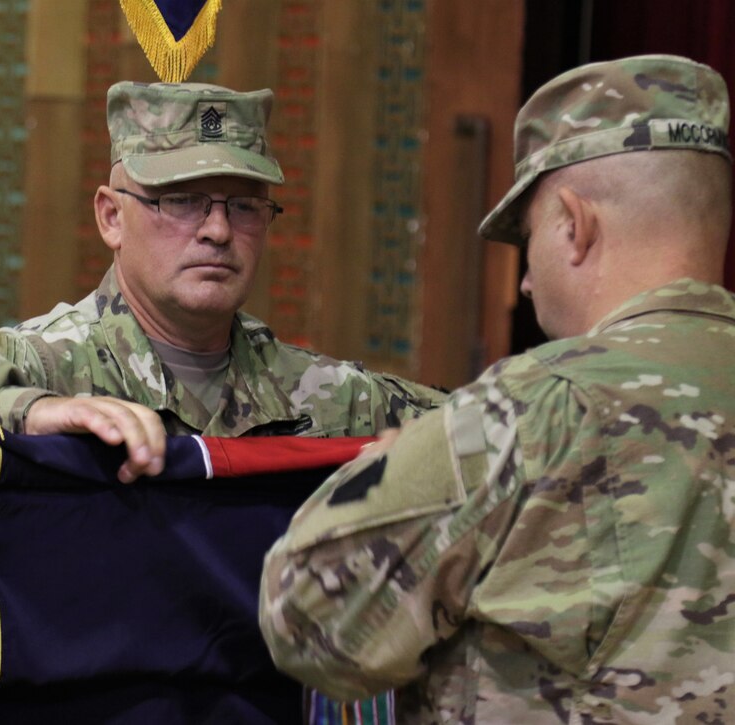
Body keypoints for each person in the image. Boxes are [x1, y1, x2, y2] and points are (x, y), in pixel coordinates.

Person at [0, 81, 443, 721]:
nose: (217, 230)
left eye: (245, 207)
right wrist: (26, 416)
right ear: (110, 215)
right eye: (181, 200)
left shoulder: (327, 398)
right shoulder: (38, 365)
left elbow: (490, 437)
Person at [259, 53, 735, 723]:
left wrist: (387, 473)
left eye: (531, 237)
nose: (525, 283)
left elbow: (304, 617)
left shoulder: (537, 409)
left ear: (575, 223)